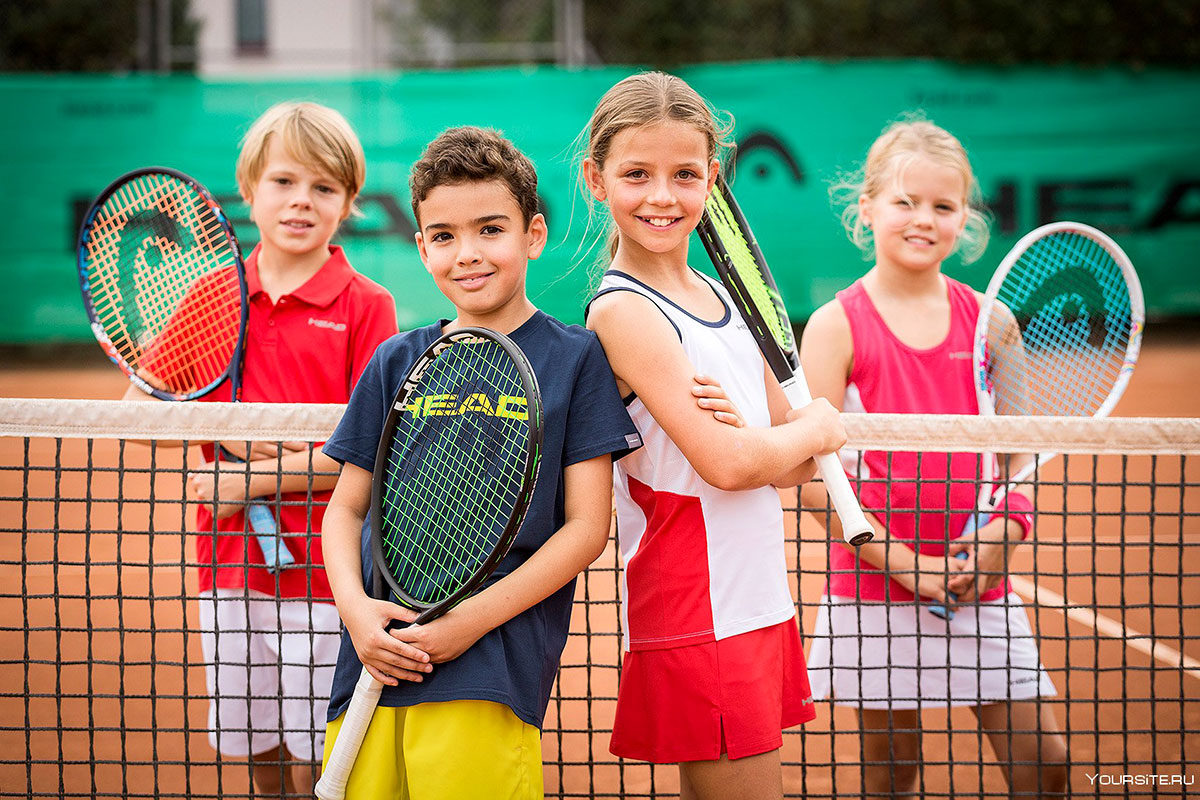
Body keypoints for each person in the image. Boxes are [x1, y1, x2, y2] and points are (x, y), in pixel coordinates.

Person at [318, 125, 644, 800]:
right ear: (422, 247)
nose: (467, 254)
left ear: (533, 234)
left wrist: (466, 623)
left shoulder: (576, 358)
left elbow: (586, 529)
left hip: (492, 664)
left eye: (490, 229)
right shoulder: (397, 361)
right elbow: (346, 508)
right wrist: (356, 611)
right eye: (443, 236)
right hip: (374, 661)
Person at [580, 71, 847, 800]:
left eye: (684, 174)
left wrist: (774, 442)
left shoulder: (727, 295)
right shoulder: (622, 311)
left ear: (712, 180)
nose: (662, 196)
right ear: (596, 179)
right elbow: (733, 463)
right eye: (637, 174)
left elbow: (786, 467)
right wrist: (808, 429)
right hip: (696, 604)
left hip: (755, 593)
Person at [122, 101, 398, 796]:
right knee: (259, 749)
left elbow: (368, 450)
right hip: (229, 567)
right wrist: (194, 435)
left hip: (327, 577)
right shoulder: (213, 295)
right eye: (284, 182)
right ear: (249, 191)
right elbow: (136, 410)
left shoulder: (367, 306)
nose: (301, 201)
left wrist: (251, 482)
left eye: (323, 188)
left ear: (348, 204)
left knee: (328, 754)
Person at [799, 117, 1068, 797]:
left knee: (1046, 765)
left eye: (943, 206)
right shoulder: (835, 327)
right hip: (872, 590)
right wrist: (905, 565)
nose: (924, 219)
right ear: (866, 209)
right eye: (905, 201)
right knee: (891, 774)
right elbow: (810, 481)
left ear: (964, 219)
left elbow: (1015, 465)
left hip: (979, 584)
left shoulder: (992, 324)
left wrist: (1004, 536)